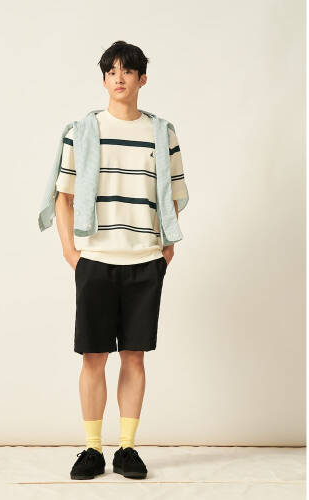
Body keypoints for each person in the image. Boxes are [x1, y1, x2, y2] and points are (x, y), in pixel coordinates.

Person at [53, 41, 188, 480]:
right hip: (95, 259)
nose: (119, 78)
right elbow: (63, 196)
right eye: (111, 71)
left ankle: (127, 448)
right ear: (104, 79)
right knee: (93, 357)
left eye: (127, 71)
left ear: (142, 79)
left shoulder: (161, 133)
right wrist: (71, 253)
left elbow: (173, 194)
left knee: (134, 357)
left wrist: (165, 249)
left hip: (146, 260)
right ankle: (92, 449)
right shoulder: (82, 130)